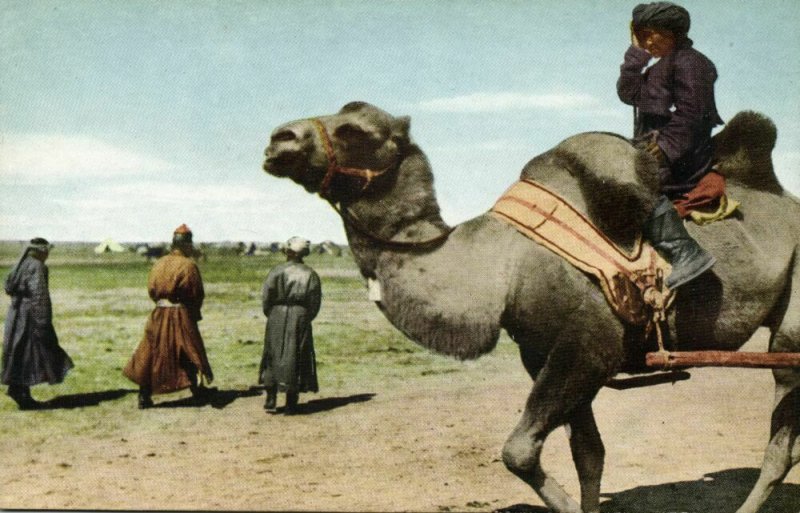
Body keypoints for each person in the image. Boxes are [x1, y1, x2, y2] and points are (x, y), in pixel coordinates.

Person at [617, 1, 722, 288]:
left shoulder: (691, 62)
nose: (648, 40)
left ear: (672, 33)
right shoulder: (658, 69)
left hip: (683, 158)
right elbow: (628, 92)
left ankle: (685, 251)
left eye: (653, 34)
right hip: (659, 152)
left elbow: (693, 114)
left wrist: (663, 148)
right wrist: (637, 53)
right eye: (642, 34)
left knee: (631, 186)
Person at [123, 224, 214, 409]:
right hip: (181, 314)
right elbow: (196, 293)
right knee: (188, 350)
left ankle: (144, 394)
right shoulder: (188, 265)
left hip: (159, 313)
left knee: (151, 352)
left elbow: (151, 290)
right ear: (186, 245)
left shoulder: (159, 263)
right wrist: (193, 313)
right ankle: (196, 391)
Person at [2, 238, 73, 410]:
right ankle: (21, 392)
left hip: (16, 315)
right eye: (47, 251)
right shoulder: (37, 266)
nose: (48, 254)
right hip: (29, 317)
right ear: (40, 250)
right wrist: (43, 322)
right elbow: (39, 296)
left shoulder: (22, 264)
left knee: (18, 353)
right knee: (30, 354)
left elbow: (8, 286)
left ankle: (18, 390)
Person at [259, 236, 322, 414]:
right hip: (300, 316)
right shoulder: (310, 274)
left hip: (276, 314)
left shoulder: (276, 271)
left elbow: (266, 297)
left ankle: (270, 398)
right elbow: (314, 302)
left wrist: (272, 314)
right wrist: (304, 317)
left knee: (272, 353)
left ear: (288, 251)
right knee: (297, 354)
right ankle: (291, 402)